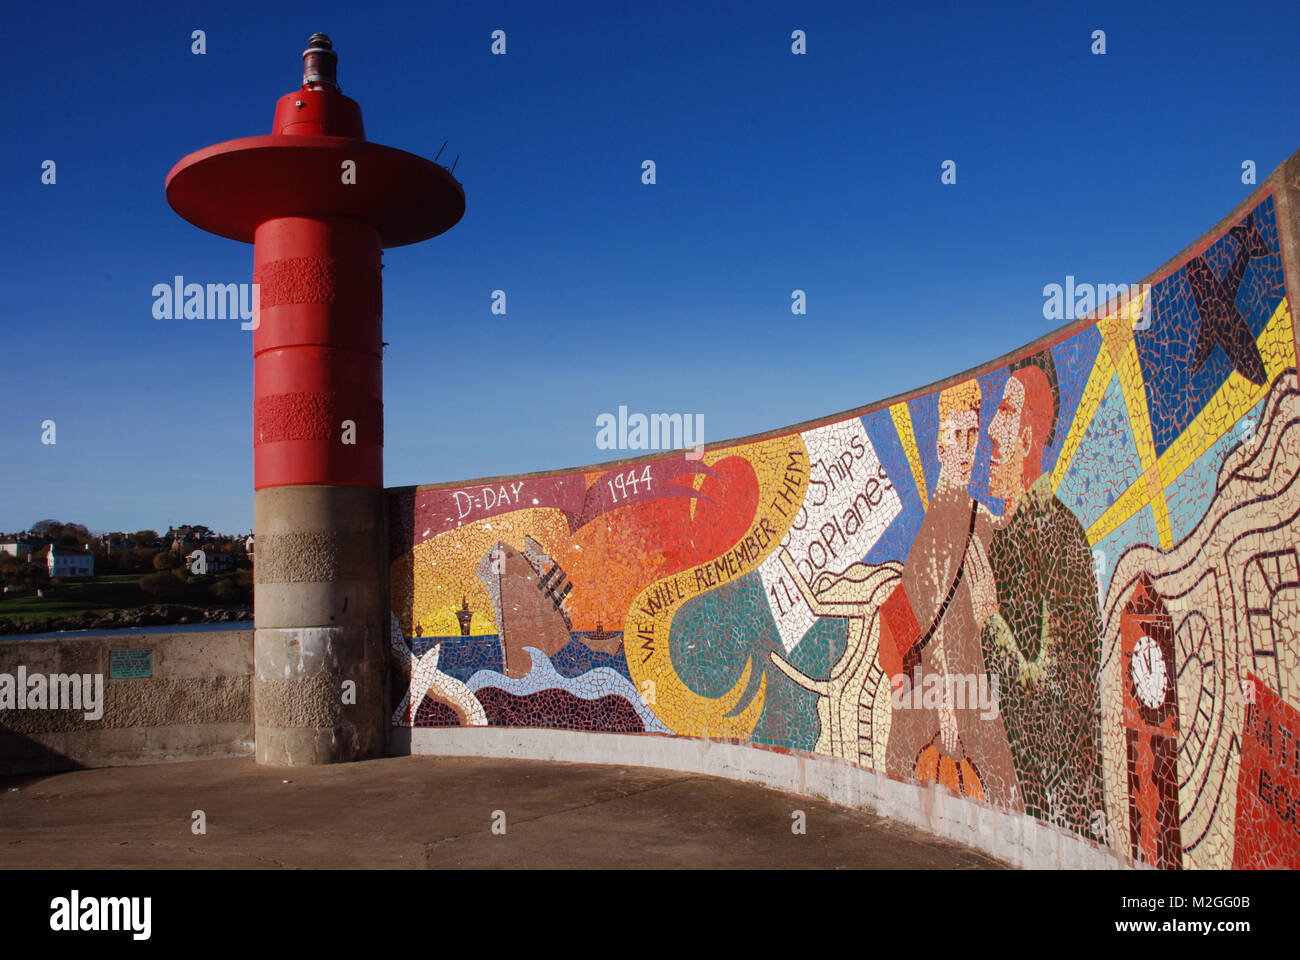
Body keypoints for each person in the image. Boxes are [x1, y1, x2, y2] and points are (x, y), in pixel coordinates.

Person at [965, 356, 1106, 835]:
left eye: (1005, 414)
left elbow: (1054, 714)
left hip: (1058, 827)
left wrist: (990, 620)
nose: (990, 431)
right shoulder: (1004, 537)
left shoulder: (1058, 538)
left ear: (1027, 440)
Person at [880, 380, 1019, 807]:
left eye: (973, 434)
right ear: (940, 446)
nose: (966, 448)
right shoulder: (931, 535)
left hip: (973, 696)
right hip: (945, 710)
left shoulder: (980, 519)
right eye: (957, 435)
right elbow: (923, 629)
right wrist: (945, 708)